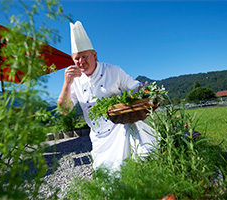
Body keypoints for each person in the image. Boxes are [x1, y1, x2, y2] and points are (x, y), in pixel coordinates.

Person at [58, 21, 156, 171]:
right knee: (106, 178)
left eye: (85, 56)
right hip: (98, 137)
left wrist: (147, 90)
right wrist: (66, 83)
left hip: (121, 130)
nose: (81, 62)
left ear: (94, 55)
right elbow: (64, 110)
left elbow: (135, 87)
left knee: (132, 170)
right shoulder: (74, 80)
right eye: (77, 58)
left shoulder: (113, 70)